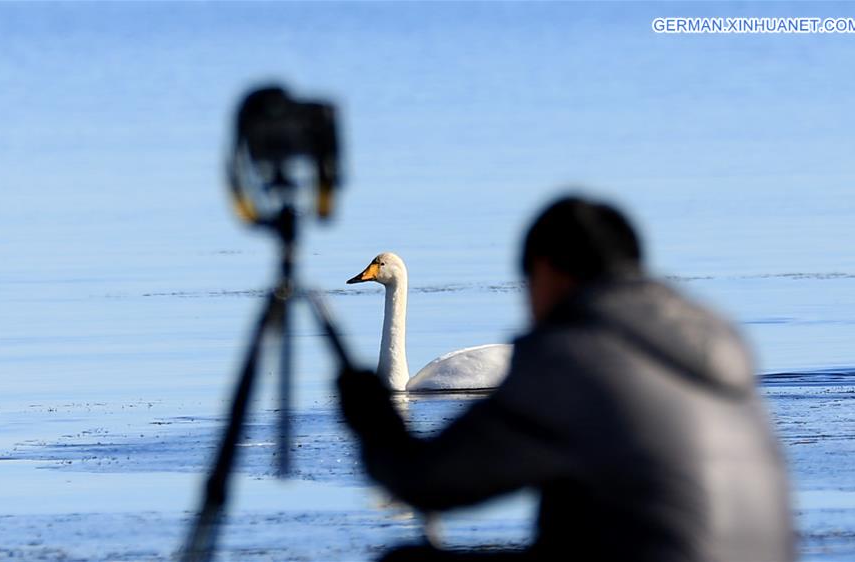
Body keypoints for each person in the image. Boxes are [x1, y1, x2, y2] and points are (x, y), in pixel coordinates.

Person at [338, 195, 795, 562]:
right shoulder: (717, 344)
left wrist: (374, 424)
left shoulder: (572, 361)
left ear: (549, 272)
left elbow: (432, 482)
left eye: (528, 280)